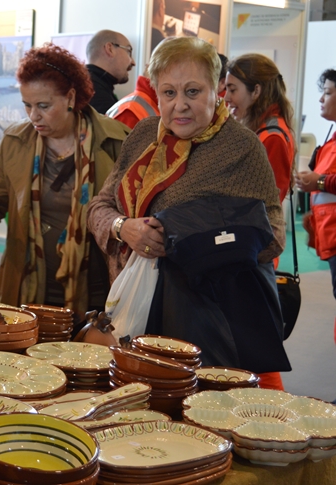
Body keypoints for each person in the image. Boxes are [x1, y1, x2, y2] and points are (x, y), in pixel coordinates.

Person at [87, 37, 290, 388]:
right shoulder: (144, 136)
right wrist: (125, 228)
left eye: (192, 92)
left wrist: (196, 240)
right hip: (131, 303)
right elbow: (98, 207)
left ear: (217, 91)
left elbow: (273, 235)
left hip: (206, 321)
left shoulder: (242, 149)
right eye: (168, 93)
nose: (179, 105)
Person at [0, 44, 130, 318]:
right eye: (27, 105)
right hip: (28, 287)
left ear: (71, 97)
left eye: (43, 106)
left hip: (95, 293)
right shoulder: (16, 141)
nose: (33, 115)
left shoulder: (118, 142)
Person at [225, 54, 295, 203]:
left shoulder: (272, 137)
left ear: (256, 91)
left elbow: (269, 202)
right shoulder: (261, 129)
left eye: (232, 90)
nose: (226, 98)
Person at [296, 69, 336, 304]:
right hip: (329, 233)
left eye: (328, 93)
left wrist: (317, 182)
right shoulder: (331, 138)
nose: (321, 99)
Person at [85, 30, 136, 114]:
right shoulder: (93, 92)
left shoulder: (94, 85)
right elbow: (117, 126)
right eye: (129, 51)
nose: (133, 62)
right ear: (110, 49)